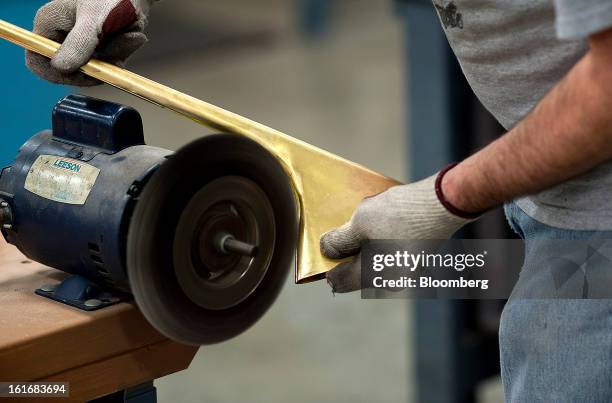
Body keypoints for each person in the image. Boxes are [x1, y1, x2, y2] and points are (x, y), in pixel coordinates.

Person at [27, 0, 612, 400]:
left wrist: (443, 200)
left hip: (597, 211)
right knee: (454, 272)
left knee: (547, 346)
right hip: (546, 191)